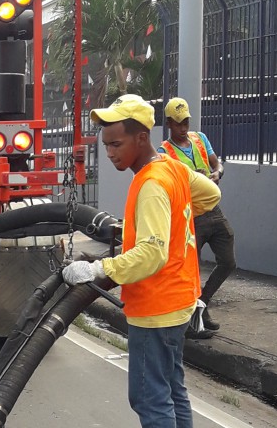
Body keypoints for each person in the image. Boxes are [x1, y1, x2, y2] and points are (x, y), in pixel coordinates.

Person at [62, 94, 221, 428]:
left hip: (156, 308)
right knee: (173, 389)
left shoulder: (151, 184)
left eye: (116, 144)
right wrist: (177, 214)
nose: (110, 152)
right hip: (180, 301)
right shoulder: (172, 169)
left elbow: (151, 253)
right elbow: (211, 194)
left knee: (150, 397)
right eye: (106, 145)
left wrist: (96, 268)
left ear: (142, 137)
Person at [159, 97, 236, 335]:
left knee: (228, 262)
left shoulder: (200, 139)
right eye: (179, 123)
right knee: (191, 270)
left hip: (214, 211)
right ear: (170, 123)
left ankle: (203, 305)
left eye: (187, 122)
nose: (184, 127)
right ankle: (190, 320)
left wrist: (217, 173)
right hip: (190, 217)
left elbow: (217, 164)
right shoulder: (165, 152)